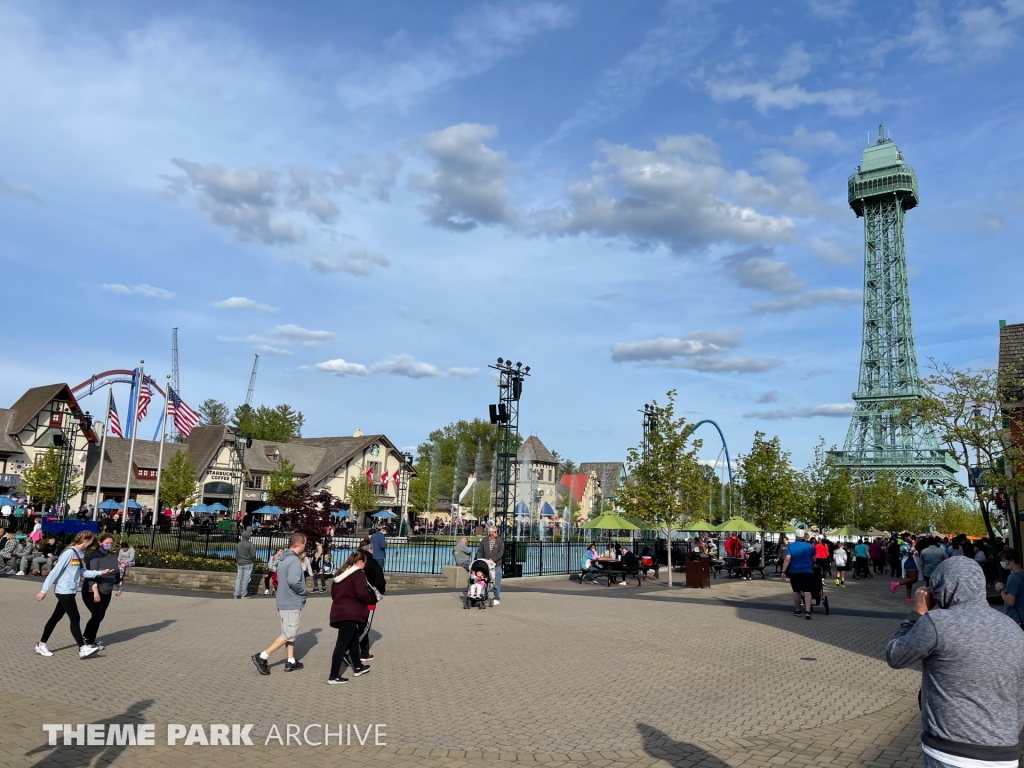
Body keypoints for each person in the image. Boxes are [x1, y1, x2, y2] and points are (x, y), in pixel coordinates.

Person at [887, 558, 1024, 768]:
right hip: (1003, 753)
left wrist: (918, 612)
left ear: (942, 586)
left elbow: (895, 655)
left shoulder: (937, 623)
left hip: (951, 751)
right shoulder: (1013, 629)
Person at [35, 531, 112, 658]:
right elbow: (54, 572)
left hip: (71, 590)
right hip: (63, 590)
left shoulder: (79, 553)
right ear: (86, 541)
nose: (91, 544)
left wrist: (100, 572)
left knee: (55, 618)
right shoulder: (69, 553)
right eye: (91, 541)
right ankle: (82, 648)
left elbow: (82, 571)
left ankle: (41, 644)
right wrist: (44, 590)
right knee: (75, 618)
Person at [252, 533, 308, 675]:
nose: (305, 546)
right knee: (289, 633)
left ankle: (291, 661)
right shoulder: (294, 560)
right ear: (300, 544)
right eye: (305, 544)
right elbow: (294, 581)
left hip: (283, 600)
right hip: (291, 601)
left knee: (288, 633)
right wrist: (303, 592)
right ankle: (262, 656)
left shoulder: (283, 558)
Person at [327, 550, 372, 685]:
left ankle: (358, 667)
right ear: (360, 562)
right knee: (342, 644)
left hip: (339, 611)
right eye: (364, 563)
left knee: (353, 640)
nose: (365, 566)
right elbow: (361, 593)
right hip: (351, 611)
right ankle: (333, 675)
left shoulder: (340, 574)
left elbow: (334, 595)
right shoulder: (358, 573)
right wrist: (369, 600)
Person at [81, 533, 122, 650]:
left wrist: (119, 587)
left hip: (107, 590)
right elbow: (90, 575)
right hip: (92, 590)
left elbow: (116, 572)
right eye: (107, 543)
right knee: (98, 614)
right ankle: (86, 639)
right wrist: (95, 592)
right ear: (100, 543)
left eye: (111, 543)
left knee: (100, 615)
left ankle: (91, 640)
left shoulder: (113, 556)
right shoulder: (95, 556)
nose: (109, 545)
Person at [357, 538, 386, 662]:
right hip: (369, 598)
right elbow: (380, 583)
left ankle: (364, 652)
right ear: (370, 548)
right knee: (366, 626)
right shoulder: (373, 564)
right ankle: (349, 650)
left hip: (356, 597)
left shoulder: (355, 561)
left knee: (360, 624)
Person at [780, 528, 816, 620]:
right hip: (807, 571)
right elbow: (814, 559)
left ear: (796, 536)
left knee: (797, 591)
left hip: (795, 571)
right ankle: (808, 611)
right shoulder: (810, 546)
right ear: (804, 536)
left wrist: (783, 571)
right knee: (808, 591)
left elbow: (787, 559)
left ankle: (798, 611)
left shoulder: (791, 546)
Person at [995, 548, 1024, 628]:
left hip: (1016, 619)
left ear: (1012, 561)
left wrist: (1000, 589)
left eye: (1003, 560)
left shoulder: (1013, 578)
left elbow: (1010, 601)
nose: (1002, 563)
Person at [477, 526, 504, 606]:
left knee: (496, 583)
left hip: (496, 565)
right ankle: (484, 597)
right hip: (486, 564)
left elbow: (500, 553)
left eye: (497, 531)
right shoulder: (484, 540)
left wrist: (493, 559)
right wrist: (479, 560)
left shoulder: (499, 540)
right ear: (490, 533)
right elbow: (480, 551)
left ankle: (496, 598)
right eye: (495, 532)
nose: (497, 533)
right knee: (485, 581)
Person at [233, 530, 257, 599]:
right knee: (246, 579)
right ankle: (244, 593)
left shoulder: (238, 544)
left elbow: (236, 555)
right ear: (248, 536)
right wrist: (253, 560)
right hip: (248, 562)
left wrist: (238, 561)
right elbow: (253, 555)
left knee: (238, 578)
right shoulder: (250, 544)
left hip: (240, 562)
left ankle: (236, 593)